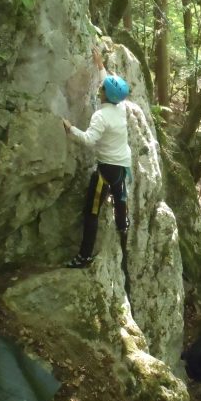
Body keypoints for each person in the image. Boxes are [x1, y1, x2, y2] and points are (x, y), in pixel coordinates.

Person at [63, 47, 133, 268]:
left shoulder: (101, 116)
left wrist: (70, 128)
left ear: (105, 95)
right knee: (120, 198)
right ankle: (123, 225)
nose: (99, 87)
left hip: (106, 170)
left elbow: (88, 140)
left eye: (101, 87)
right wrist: (100, 66)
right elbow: (110, 87)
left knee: (91, 212)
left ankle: (84, 256)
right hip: (122, 166)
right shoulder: (120, 108)